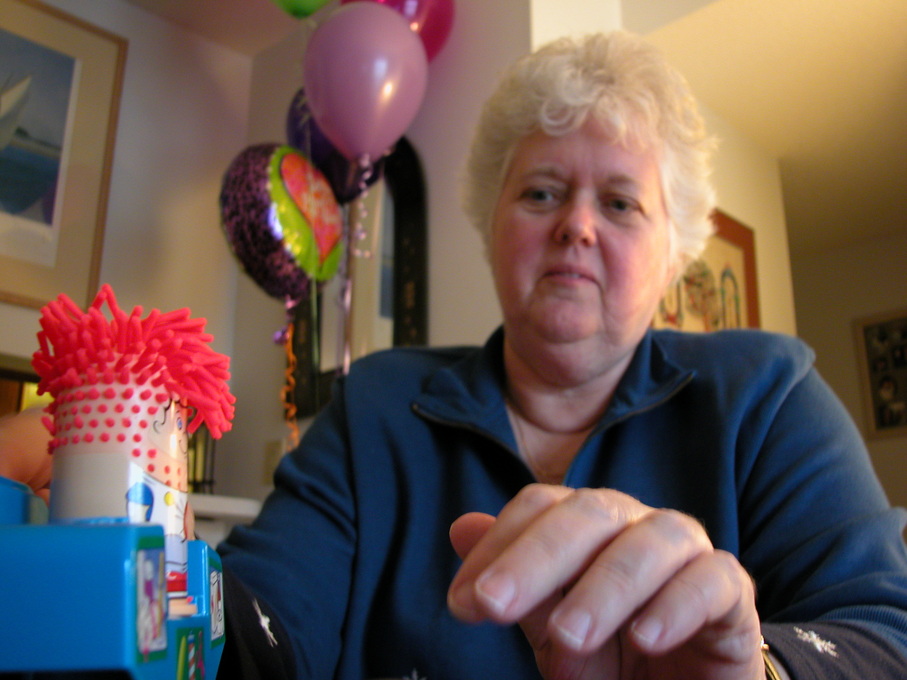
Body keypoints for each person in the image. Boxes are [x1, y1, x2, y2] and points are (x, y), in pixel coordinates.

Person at [3, 31, 907, 680]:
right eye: (541, 192)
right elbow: (269, 625)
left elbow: (884, 633)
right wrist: (137, 544)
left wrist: (756, 669)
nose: (576, 226)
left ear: (673, 256)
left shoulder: (766, 391)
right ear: (490, 224)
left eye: (620, 203)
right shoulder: (377, 403)